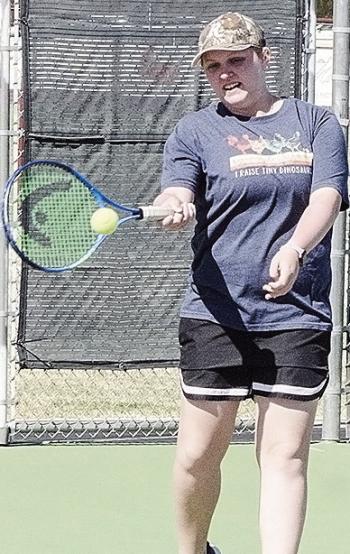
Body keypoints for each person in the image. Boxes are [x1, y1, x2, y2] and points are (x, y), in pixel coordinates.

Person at [153, 11, 349, 554]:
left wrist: (294, 247)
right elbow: (179, 189)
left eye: (236, 60)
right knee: (197, 456)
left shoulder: (316, 123)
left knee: (283, 456)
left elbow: (327, 196)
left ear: (264, 57)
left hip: (296, 314)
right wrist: (175, 204)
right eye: (213, 65)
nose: (225, 73)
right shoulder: (194, 130)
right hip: (216, 314)